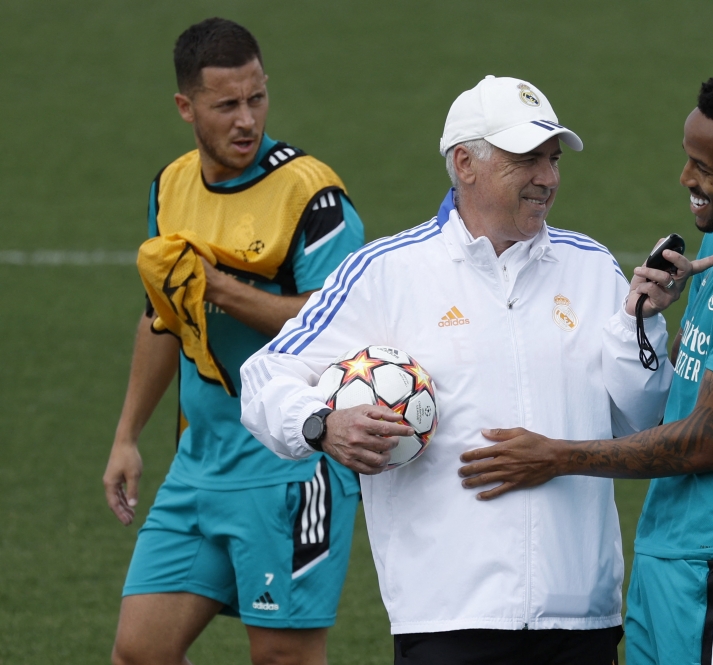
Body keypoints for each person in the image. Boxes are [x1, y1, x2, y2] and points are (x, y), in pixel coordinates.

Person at [239, 75, 682, 665]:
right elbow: (265, 375)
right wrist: (322, 424)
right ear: (465, 163)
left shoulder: (591, 266)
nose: (548, 178)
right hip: (446, 617)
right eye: (526, 159)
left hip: (581, 618)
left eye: (552, 159)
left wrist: (639, 323)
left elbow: (641, 418)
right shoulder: (386, 272)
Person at [457, 64, 713, 665]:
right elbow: (686, 392)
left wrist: (554, 456)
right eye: (689, 158)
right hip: (672, 550)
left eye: (706, 168)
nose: (687, 178)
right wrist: (648, 318)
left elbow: (707, 441)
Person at [101, 18, 365, 665]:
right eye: (226, 105)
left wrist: (220, 287)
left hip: (293, 463)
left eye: (257, 98)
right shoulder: (170, 187)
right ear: (185, 106)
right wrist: (127, 435)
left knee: (282, 655)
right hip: (200, 462)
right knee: (140, 651)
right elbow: (162, 315)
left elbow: (338, 326)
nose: (246, 120)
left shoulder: (312, 195)